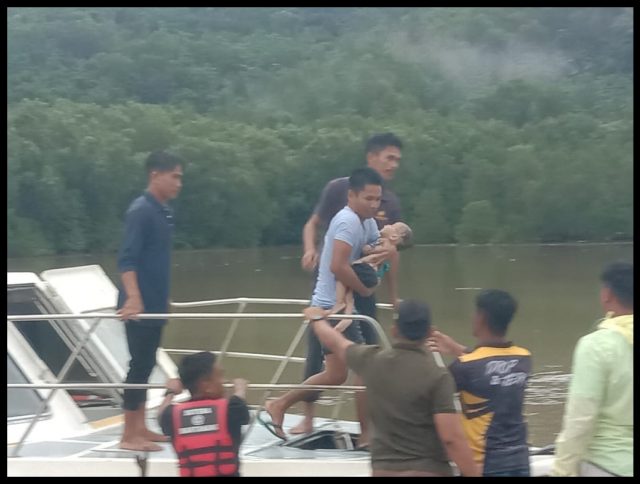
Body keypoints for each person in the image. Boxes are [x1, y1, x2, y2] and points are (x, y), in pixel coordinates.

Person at [295, 132, 404, 437]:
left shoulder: (389, 201)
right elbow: (313, 224)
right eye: (389, 158)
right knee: (318, 356)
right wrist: (310, 249)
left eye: (398, 160)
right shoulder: (339, 189)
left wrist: (393, 294)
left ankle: (366, 430)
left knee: (369, 359)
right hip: (333, 285)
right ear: (372, 157)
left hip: (363, 285)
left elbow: (390, 251)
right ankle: (307, 416)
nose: (394, 165)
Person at [263, 167, 383, 441]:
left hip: (339, 306)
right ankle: (366, 436)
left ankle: (279, 404)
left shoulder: (367, 222)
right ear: (351, 196)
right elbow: (337, 266)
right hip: (331, 308)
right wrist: (365, 288)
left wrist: (387, 249)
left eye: (378, 199)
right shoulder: (347, 222)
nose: (374, 205)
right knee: (364, 367)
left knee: (336, 374)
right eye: (368, 198)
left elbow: (374, 251)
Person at [304, 300, 480, 477]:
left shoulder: (371, 360)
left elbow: (336, 342)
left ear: (394, 330)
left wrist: (317, 319)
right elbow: (451, 439)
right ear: (430, 333)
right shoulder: (439, 376)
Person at [116, 150, 184, 451]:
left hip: (155, 303)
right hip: (138, 306)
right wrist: (133, 298)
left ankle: (141, 426)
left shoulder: (163, 212)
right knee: (138, 365)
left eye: (180, 178)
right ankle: (128, 435)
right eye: (174, 177)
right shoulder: (141, 210)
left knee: (147, 365)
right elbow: (127, 260)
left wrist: (162, 295)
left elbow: (155, 260)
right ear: (155, 175)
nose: (179, 183)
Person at [427, 289, 532, 477]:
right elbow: (491, 364)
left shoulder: (464, 367)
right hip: (520, 461)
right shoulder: (524, 358)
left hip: (485, 465)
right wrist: (457, 348)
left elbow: (432, 391)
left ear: (481, 317)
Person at [550, 261, 633, 477]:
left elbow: (580, 420)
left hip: (608, 464)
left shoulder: (596, 345)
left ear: (607, 294)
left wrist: (562, 471)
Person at [158, 351, 250, 477]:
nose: (224, 381)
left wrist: (170, 392)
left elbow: (161, 415)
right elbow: (240, 404)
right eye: (220, 376)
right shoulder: (232, 408)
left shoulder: (171, 415)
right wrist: (240, 388)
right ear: (205, 384)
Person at [331, 222, 414, 334]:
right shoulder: (387, 245)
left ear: (394, 236)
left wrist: (368, 248)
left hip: (367, 271)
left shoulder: (388, 246)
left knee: (342, 274)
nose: (387, 225)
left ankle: (341, 304)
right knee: (349, 292)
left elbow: (371, 252)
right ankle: (347, 314)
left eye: (391, 226)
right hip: (370, 275)